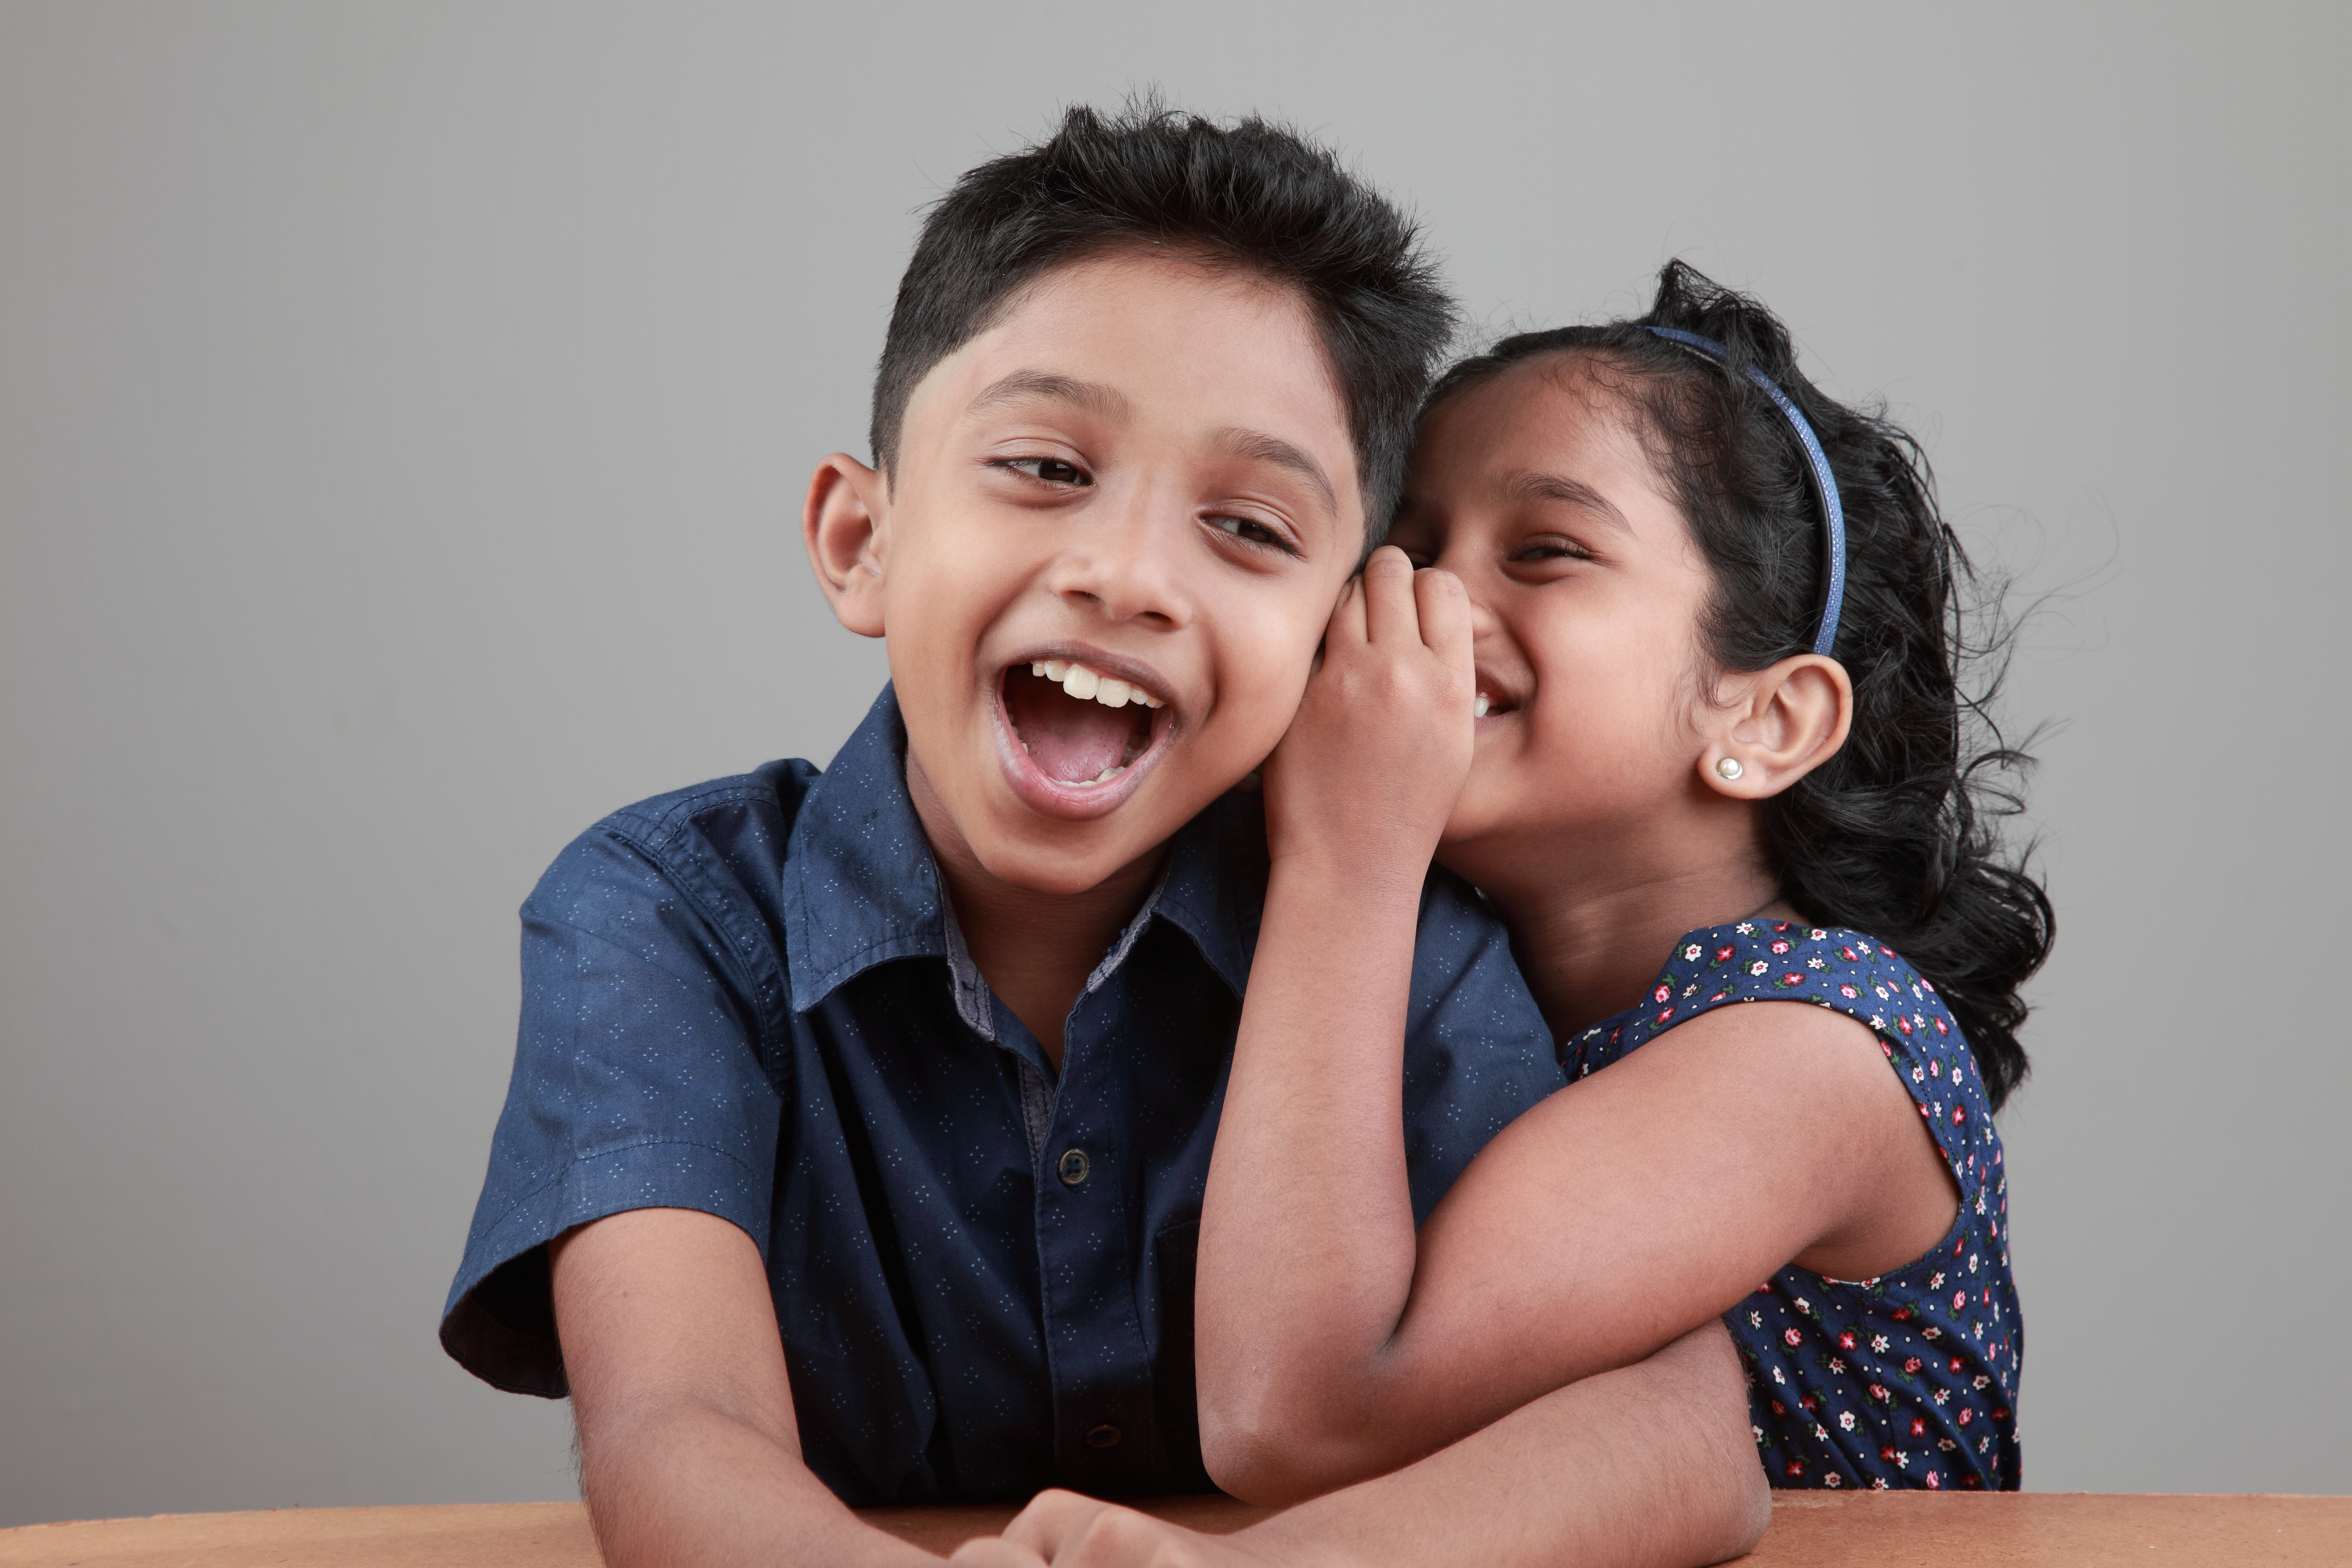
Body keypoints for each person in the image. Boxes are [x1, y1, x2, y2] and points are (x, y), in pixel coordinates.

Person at [440, 110, 1767, 1568]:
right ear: (858, 541)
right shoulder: (669, 917)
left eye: (1251, 527)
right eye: (1046, 467)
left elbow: (1682, 1437)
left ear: (1339, 634)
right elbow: (676, 1437)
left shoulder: (1395, 937)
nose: (1127, 576)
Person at [960, 262, 2049, 1565]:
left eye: (1543, 551)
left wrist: (1347, 854)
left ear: (1765, 718)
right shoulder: (1453, 995)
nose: (1425, 602)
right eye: (1403, 548)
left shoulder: (1817, 1046)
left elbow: (1295, 1411)